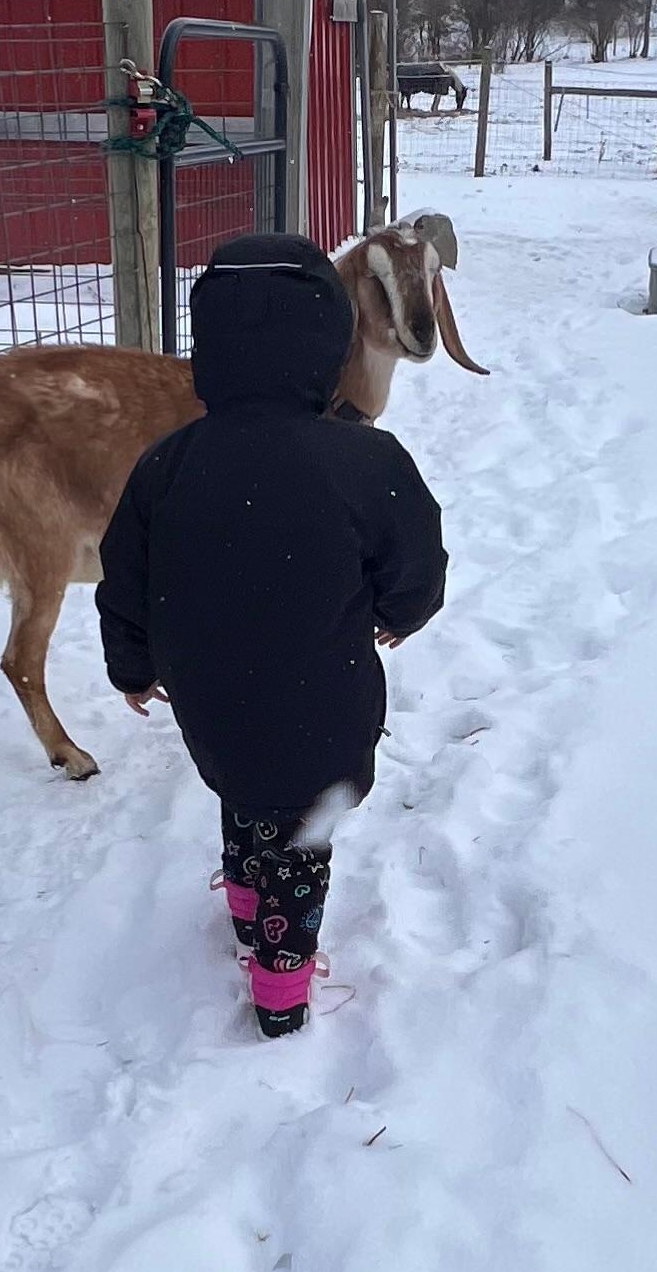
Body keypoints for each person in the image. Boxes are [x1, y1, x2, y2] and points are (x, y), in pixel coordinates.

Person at [97, 233, 447, 1038]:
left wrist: (133, 666)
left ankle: (247, 903)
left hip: (211, 697)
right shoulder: (366, 460)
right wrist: (400, 614)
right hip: (323, 696)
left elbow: (127, 574)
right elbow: (416, 559)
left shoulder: (168, 462)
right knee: (300, 839)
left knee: (245, 795)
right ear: (328, 344)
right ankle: (281, 992)